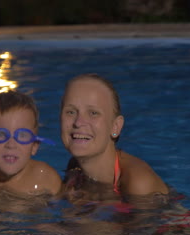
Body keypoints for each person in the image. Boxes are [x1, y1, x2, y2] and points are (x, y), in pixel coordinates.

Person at [60, 73, 169, 205]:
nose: (78, 122)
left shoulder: (137, 183)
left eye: (93, 113)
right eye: (70, 112)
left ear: (115, 127)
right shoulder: (75, 168)